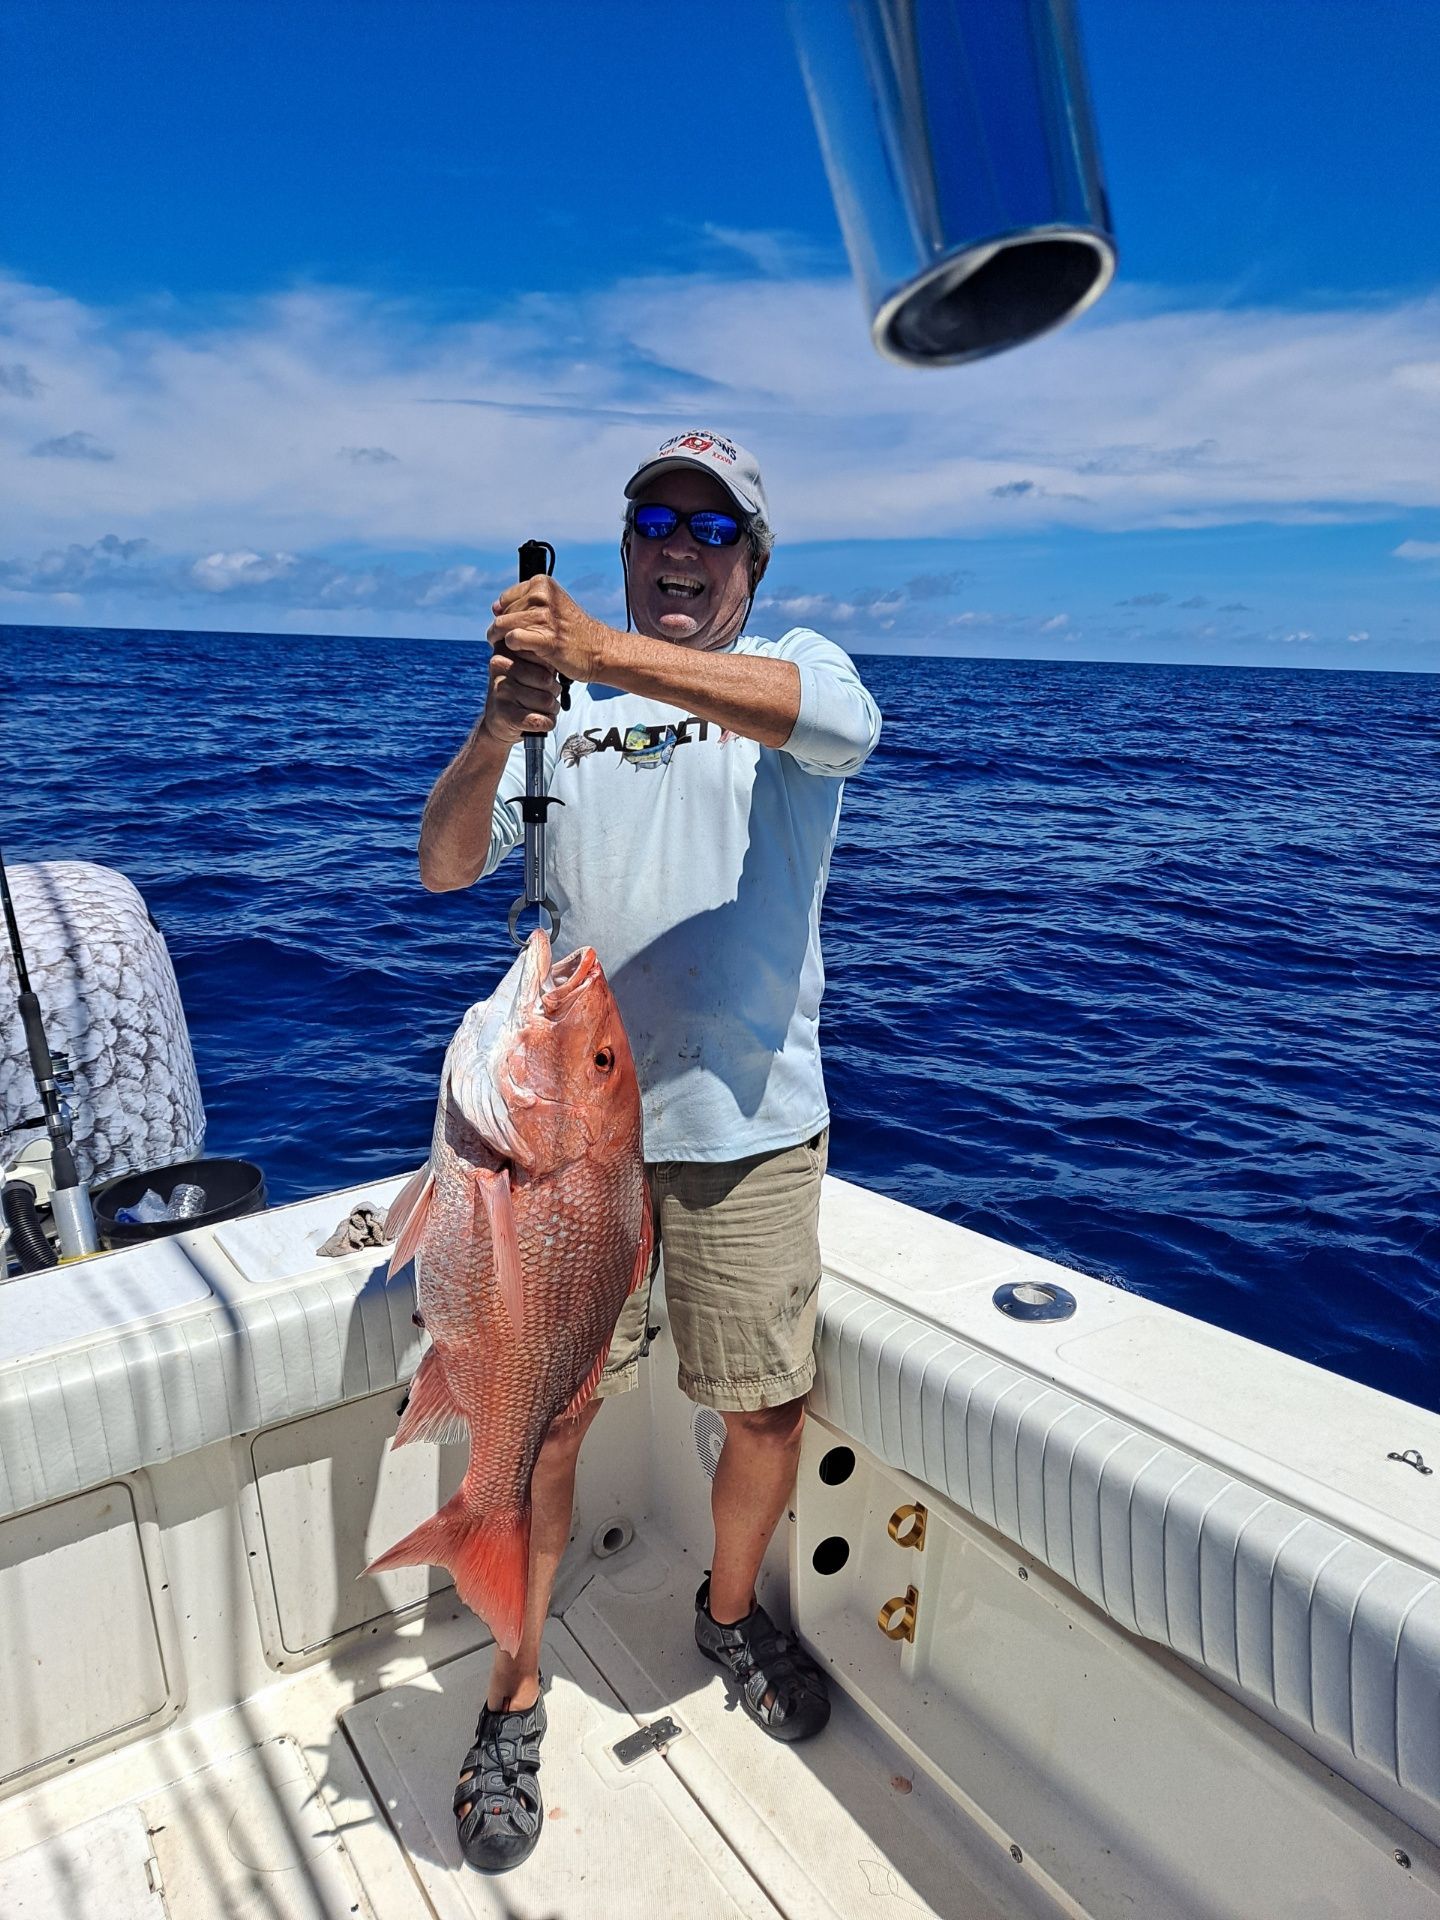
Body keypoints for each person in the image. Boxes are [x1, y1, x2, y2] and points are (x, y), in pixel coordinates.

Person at [417, 429, 882, 1874]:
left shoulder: (794, 671)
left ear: (752, 559)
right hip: (562, 1142)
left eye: (714, 527)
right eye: (655, 519)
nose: (683, 545)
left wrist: (609, 652)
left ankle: (728, 1611)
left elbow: (842, 728)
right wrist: (503, 727)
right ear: (624, 542)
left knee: (761, 1409)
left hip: (743, 1132)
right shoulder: (561, 710)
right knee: (541, 1419)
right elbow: (443, 865)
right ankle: (512, 1688)